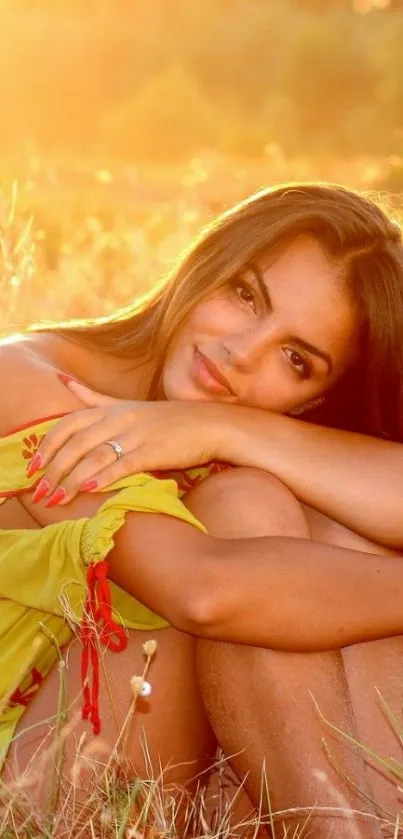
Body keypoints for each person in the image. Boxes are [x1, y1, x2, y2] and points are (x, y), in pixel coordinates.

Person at [1, 182, 403, 838]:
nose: (241, 351)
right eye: (244, 294)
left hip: (185, 791)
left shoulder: (238, 444)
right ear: (205, 262)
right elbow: (203, 590)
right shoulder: (28, 382)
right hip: (33, 790)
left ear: (313, 402)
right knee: (263, 545)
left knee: (281, 514)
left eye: (296, 359)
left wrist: (228, 430)